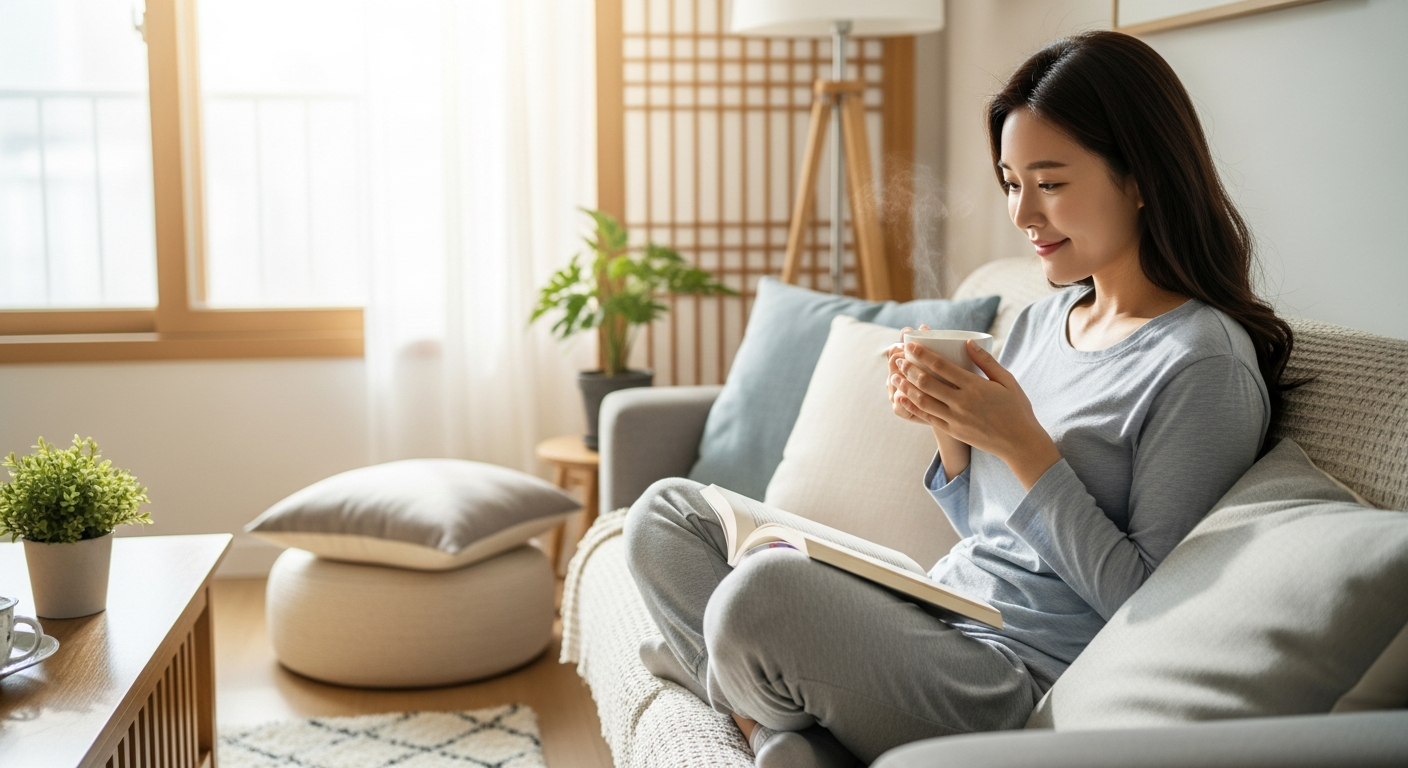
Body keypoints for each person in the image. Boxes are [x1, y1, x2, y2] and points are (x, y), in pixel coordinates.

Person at [623, 30, 1295, 768]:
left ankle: (750, 703)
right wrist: (951, 433)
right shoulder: (1046, 319)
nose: (1022, 215)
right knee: (664, 517)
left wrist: (1022, 445)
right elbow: (989, 530)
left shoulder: (1202, 364)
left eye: (1051, 182)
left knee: (760, 597)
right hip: (940, 605)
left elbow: (1147, 606)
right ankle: (777, 732)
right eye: (1012, 183)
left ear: (1141, 178)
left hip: (1013, 676)